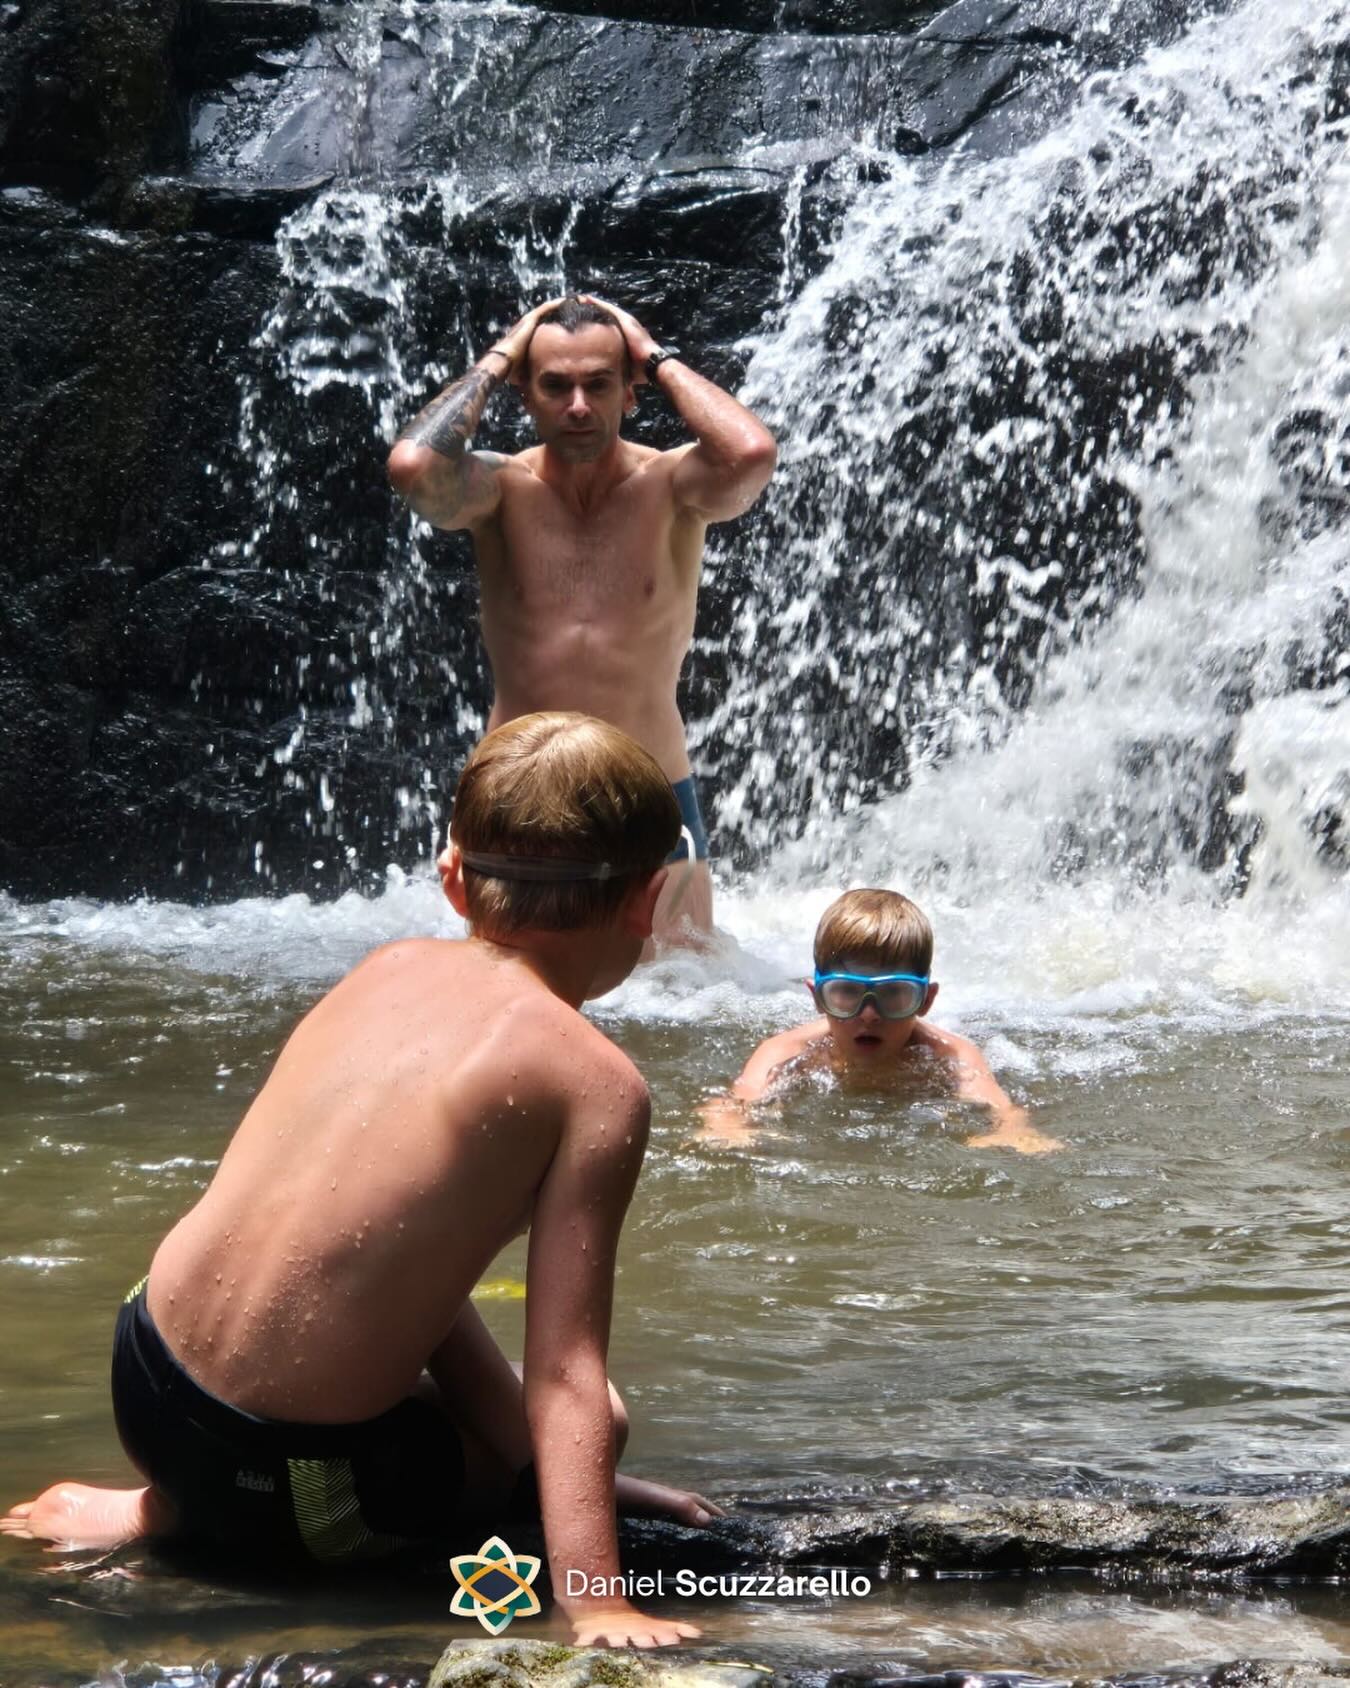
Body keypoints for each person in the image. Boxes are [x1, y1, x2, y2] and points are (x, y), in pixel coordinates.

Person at [2, 713, 721, 1649]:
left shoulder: (386, 968)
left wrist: (568, 1474)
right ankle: (189, 1518)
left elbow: (362, 1257)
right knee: (601, 1419)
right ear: (649, 901)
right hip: (297, 1486)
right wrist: (594, 1597)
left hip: (142, 1371)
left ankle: (152, 1504)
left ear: (452, 877)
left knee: (370, 1367)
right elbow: (565, 1374)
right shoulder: (596, 1082)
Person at [386, 293, 777, 942]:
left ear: (629, 392)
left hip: (650, 790)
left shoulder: (673, 486)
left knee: (681, 990)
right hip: (518, 787)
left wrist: (653, 356)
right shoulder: (498, 490)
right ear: (526, 394)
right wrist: (499, 358)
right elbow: (413, 465)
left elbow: (752, 454)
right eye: (555, 385)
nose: (577, 405)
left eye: (598, 384)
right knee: (505, 985)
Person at [698, 889, 1062, 1154]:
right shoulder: (788, 1051)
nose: (869, 1013)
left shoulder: (951, 1056)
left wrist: (1012, 1132)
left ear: (926, 1000)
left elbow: (1004, 1111)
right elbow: (733, 1103)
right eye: (847, 993)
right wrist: (728, 1127)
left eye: (893, 994)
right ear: (818, 997)